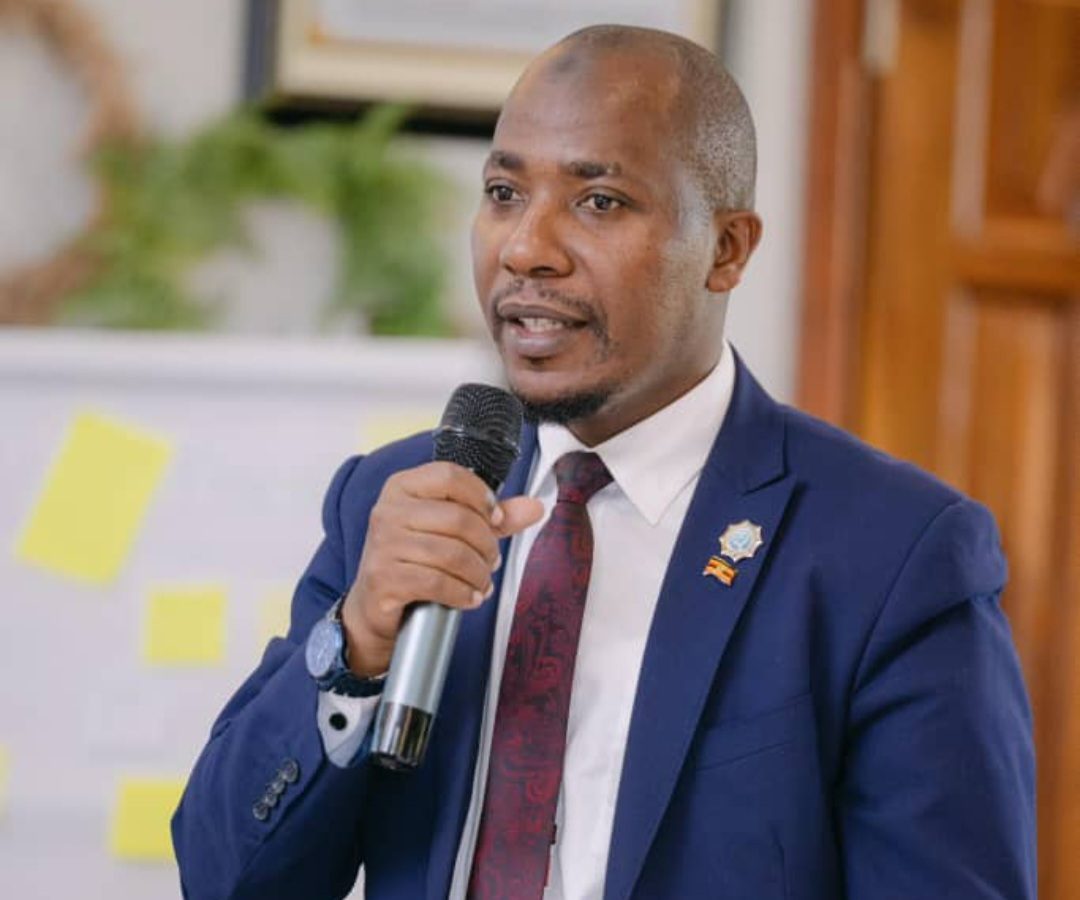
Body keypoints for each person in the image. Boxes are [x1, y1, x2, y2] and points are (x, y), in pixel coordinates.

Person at [172, 24, 1036, 900]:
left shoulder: (893, 555)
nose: (526, 248)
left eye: (599, 202)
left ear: (727, 249)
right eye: (504, 192)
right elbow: (222, 880)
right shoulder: (394, 505)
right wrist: (358, 643)